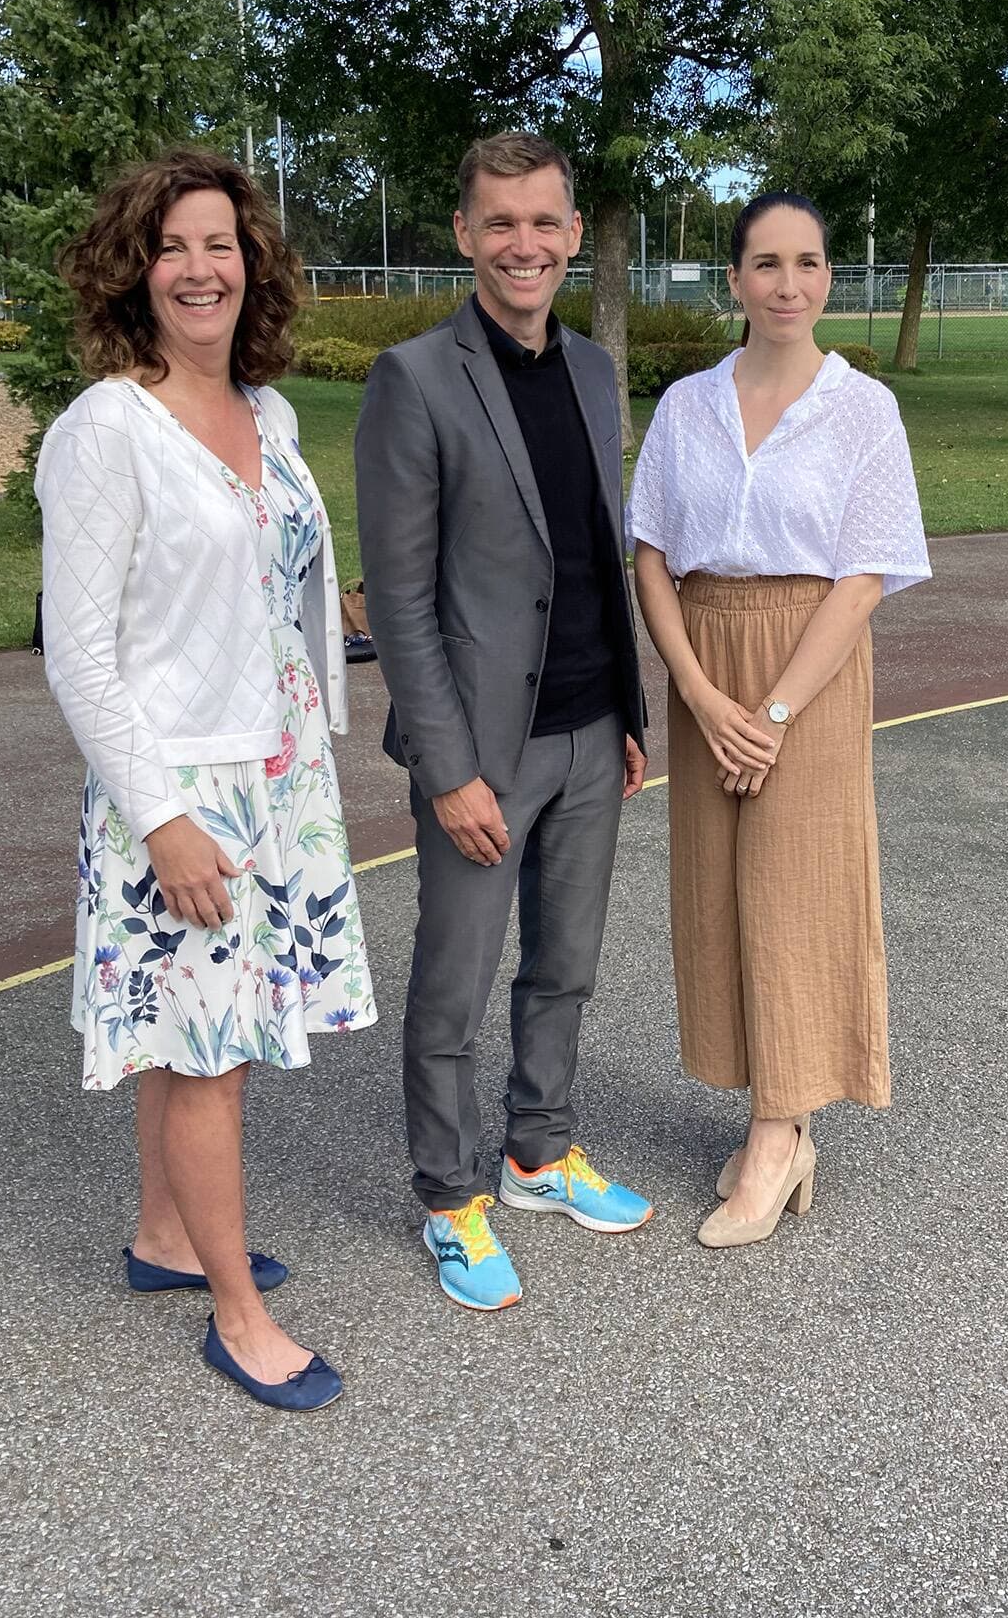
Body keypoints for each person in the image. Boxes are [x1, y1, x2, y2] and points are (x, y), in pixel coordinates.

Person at [36, 147, 375, 1410]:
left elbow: (276, 587)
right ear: (135, 268)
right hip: (177, 792)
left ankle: (165, 1240)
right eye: (172, 246)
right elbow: (76, 654)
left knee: (193, 1045)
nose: (198, 267)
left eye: (219, 243)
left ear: (253, 264)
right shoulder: (106, 431)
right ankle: (239, 1317)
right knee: (212, 1052)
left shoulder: (272, 417)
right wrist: (164, 821)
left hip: (270, 771)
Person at [355, 131, 652, 1313]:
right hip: (480, 749)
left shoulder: (593, 372)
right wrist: (445, 767)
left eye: (544, 223)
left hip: (590, 729)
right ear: (465, 234)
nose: (523, 244)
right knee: (455, 982)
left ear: (573, 234)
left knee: (565, 968)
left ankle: (538, 1154)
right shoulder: (413, 380)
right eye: (500, 223)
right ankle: (448, 1196)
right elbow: (404, 602)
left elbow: (596, 551)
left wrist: (628, 711)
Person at [627, 191, 930, 1247]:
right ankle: (766, 1105)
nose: (787, 284)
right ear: (735, 280)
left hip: (812, 662)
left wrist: (775, 710)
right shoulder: (686, 407)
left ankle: (780, 1132)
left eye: (807, 262)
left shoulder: (863, 411)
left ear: (829, 277)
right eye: (765, 263)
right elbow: (653, 557)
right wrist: (707, 701)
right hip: (703, 661)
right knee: (718, 890)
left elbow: (861, 578)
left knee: (793, 891)